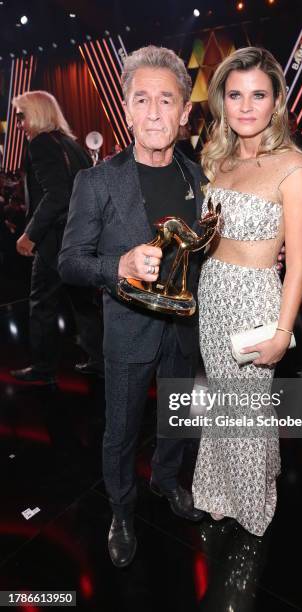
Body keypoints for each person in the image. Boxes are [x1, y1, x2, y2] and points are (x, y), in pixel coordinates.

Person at [59, 46, 206, 568]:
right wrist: (117, 265)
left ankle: (168, 482)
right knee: (120, 428)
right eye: (141, 99)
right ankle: (122, 509)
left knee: (178, 416)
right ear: (125, 108)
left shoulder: (201, 181)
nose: (153, 112)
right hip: (127, 330)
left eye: (166, 100)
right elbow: (70, 262)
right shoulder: (96, 181)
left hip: (185, 331)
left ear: (185, 112)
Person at [192, 47, 302, 536]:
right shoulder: (218, 161)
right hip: (213, 293)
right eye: (235, 94)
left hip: (254, 301)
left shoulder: (294, 168)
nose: (246, 106)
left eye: (258, 94)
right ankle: (218, 490)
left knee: (246, 407)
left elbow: (300, 263)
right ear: (222, 101)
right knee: (223, 401)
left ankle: (251, 502)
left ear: (276, 102)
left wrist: (283, 331)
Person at [10, 91, 103, 384]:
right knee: (84, 304)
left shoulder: (41, 144)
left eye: (21, 116)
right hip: (80, 240)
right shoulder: (71, 144)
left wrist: (29, 234)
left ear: (36, 113)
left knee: (42, 305)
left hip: (53, 242)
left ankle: (42, 369)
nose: (19, 123)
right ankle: (100, 360)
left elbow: (56, 195)